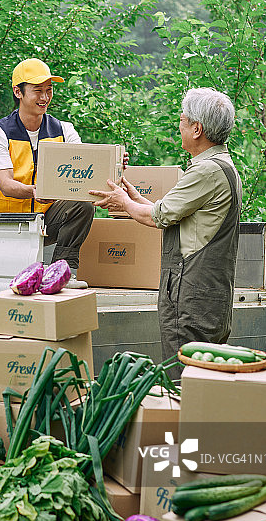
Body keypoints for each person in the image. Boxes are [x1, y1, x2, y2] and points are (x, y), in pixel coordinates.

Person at [90, 87, 242, 379]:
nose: (179, 125)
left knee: (183, 378)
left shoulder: (205, 172)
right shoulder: (222, 167)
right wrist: (131, 197)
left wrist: (123, 202)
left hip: (192, 295)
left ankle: (181, 427)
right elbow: (171, 213)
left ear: (197, 129)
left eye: (183, 120)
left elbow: (158, 217)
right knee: (206, 377)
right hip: (209, 294)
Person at [0, 58, 94, 287]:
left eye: (49, 91)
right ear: (18, 92)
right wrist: (35, 192)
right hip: (7, 223)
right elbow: (5, 184)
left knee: (83, 205)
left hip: (45, 220)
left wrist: (114, 163)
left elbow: (86, 166)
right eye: (38, 91)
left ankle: (63, 273)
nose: (44, 98)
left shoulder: (64, 130)